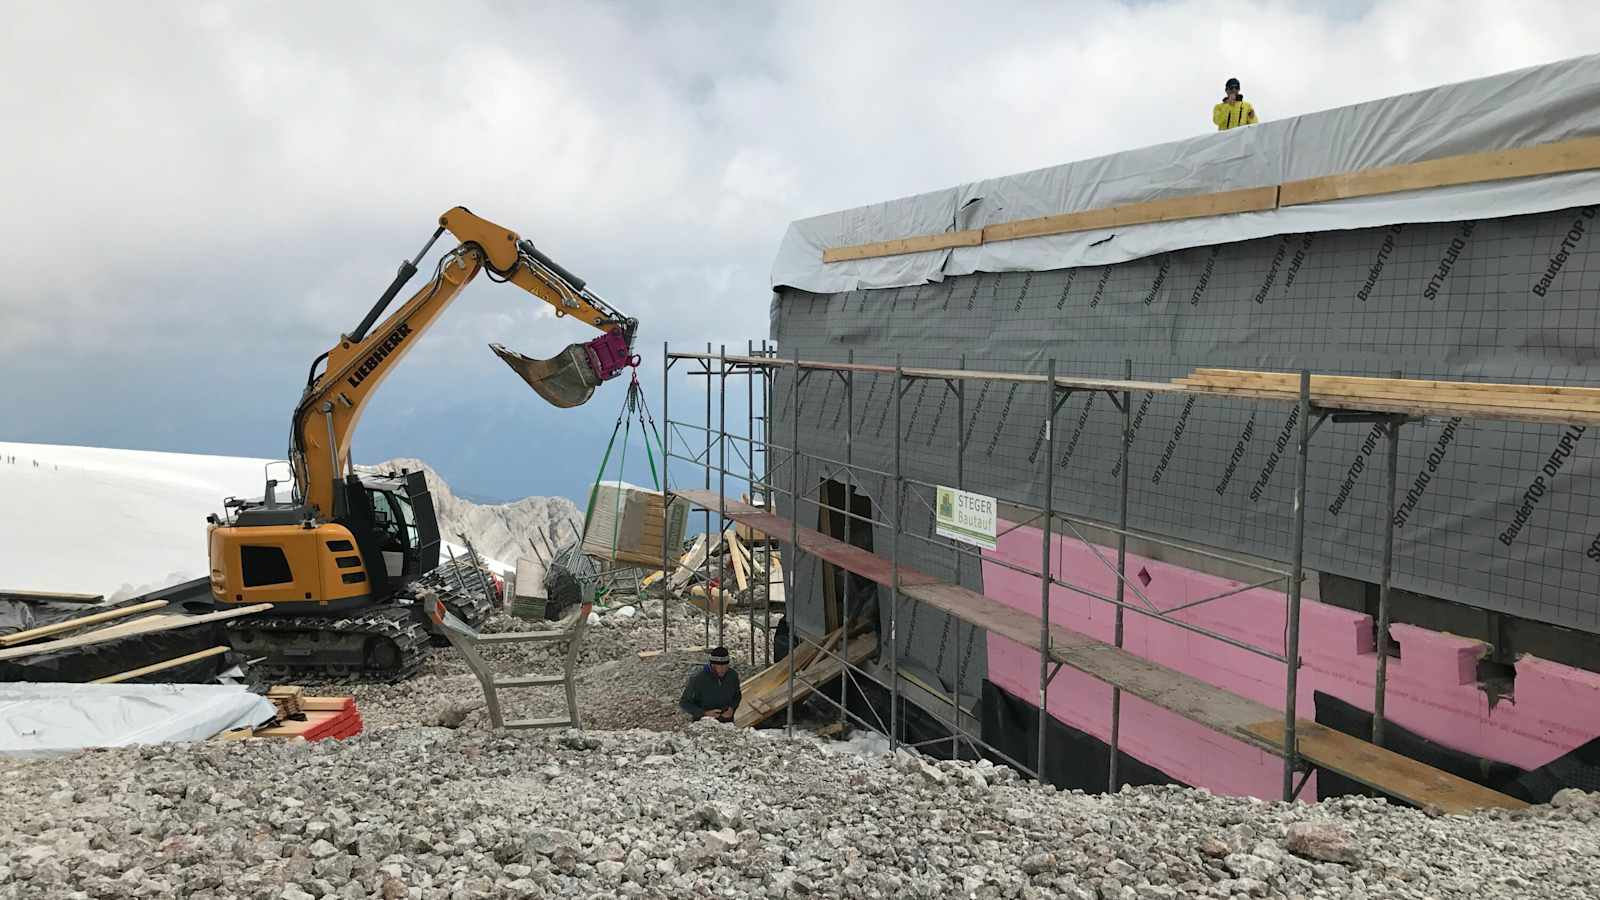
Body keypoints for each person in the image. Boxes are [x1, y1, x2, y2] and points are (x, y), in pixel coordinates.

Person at [679, 646, 741, 723]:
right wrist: (704, 713)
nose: (722, 669)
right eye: (719, 666)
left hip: (727, 725)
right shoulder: (698, 679)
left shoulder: (732, 676)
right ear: (712, 665)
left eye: (725, 666)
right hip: (704, 725)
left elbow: (737, 696)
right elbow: (684, 703)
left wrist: (732, 708)